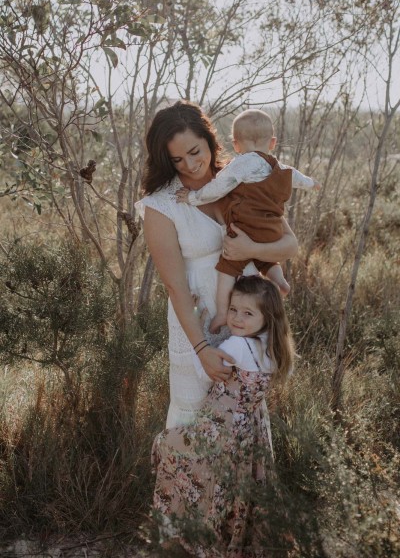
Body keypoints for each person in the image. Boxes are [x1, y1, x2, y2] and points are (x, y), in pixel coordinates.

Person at [136, 101, 298, 428]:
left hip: (247, 317)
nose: (190, 165)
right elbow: (175, 287)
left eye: (195, 152)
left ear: (210, 141)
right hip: (199, 323)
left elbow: (289, 244)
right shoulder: (162, 205)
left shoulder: (241, 179)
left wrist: (251, 248)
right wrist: (201, 350)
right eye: (177, 159)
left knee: (243, 416)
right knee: (194, 419)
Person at [151, 276, 295, 557]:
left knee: (167, 445)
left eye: (248, 313)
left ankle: (183, 533)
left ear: (267, 317)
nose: (237, 318)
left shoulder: (238, 346)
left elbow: (204, 370)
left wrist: (198, 327)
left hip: (221, 425)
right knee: (230, 486)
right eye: (233, 309)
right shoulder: (274, 347)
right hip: (249, 430)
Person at [175, 108, 320, 333]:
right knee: (267, 262)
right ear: (272, 143)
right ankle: (280, 282)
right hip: (271, 230)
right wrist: (312, 183)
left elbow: (217, 187)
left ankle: (221, 313)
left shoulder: (241, 164)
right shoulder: (280, 167)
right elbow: (297, 178)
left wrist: (192, 197)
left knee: (228, 268)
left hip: (246, 229)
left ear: (236, 145)